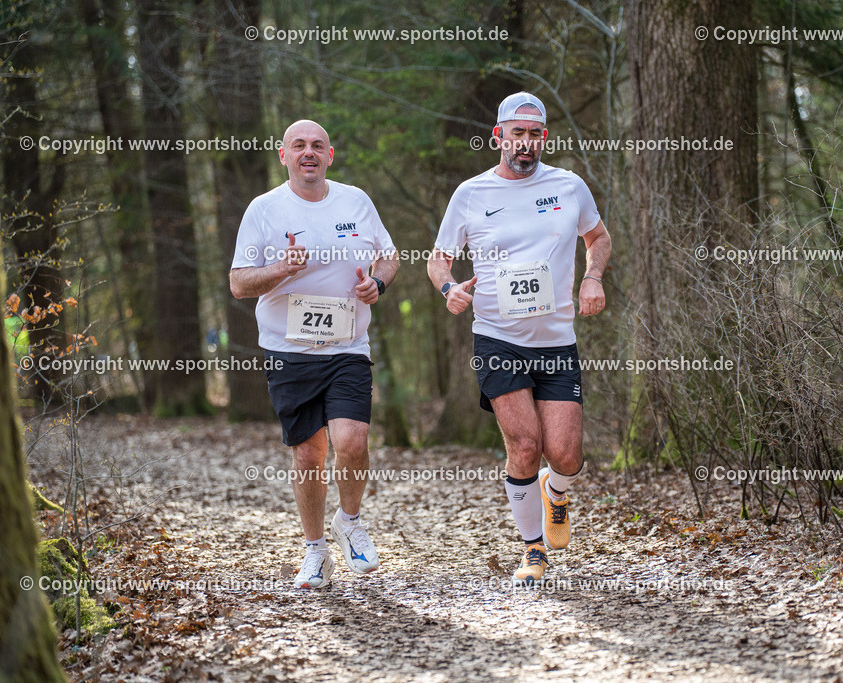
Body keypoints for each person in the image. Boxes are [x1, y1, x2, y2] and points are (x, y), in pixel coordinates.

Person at [427, 92, 611, 583]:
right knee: (525, 446)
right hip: (497, 338)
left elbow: (599, 237)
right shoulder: (470, 194)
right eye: (517, 134)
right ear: (499, 137)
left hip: (556, 340)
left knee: (566, 456)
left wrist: (592, 277)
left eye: (534, 134)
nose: (525, 143)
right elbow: (438, 257)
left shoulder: (568, 186)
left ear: (542, 138)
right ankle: (533, 552)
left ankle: (556, 491)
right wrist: (449, 289)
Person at [230, 120, 399, 589]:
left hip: (348, 345)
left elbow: (390, 256)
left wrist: (377, 282)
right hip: (289, 350)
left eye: (317, 146)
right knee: (308, 455)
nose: (309, 152)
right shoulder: (264, 210)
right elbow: (239, 283)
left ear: (330, 155)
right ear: (283, 155)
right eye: (299, 146)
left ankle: (349, 521)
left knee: (352, 442)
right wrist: (280, 269)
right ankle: (315, 551)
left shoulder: (356, 201)